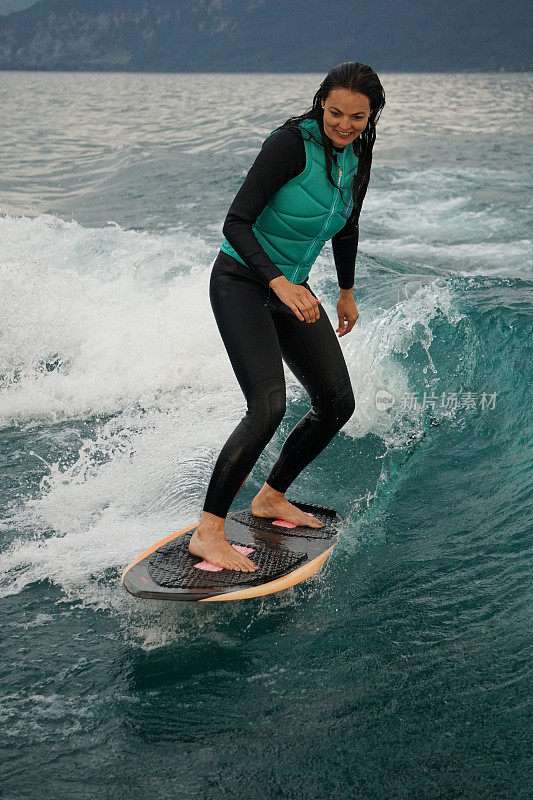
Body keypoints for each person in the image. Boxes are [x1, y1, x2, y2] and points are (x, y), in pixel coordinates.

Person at [189, 61, 386, 572]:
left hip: (288, 289)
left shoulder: (359, 155)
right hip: (241, 282)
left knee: (337, 401)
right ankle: (209, 531)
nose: (344, 124)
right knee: (268, 406)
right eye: (336, 112)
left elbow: (347, 225)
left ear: (372, 116)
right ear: (321, 102)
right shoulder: (288, 145)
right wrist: (277, 280)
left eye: (357, 117)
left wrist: (345, 290)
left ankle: (271, 497)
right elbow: (236, 222)